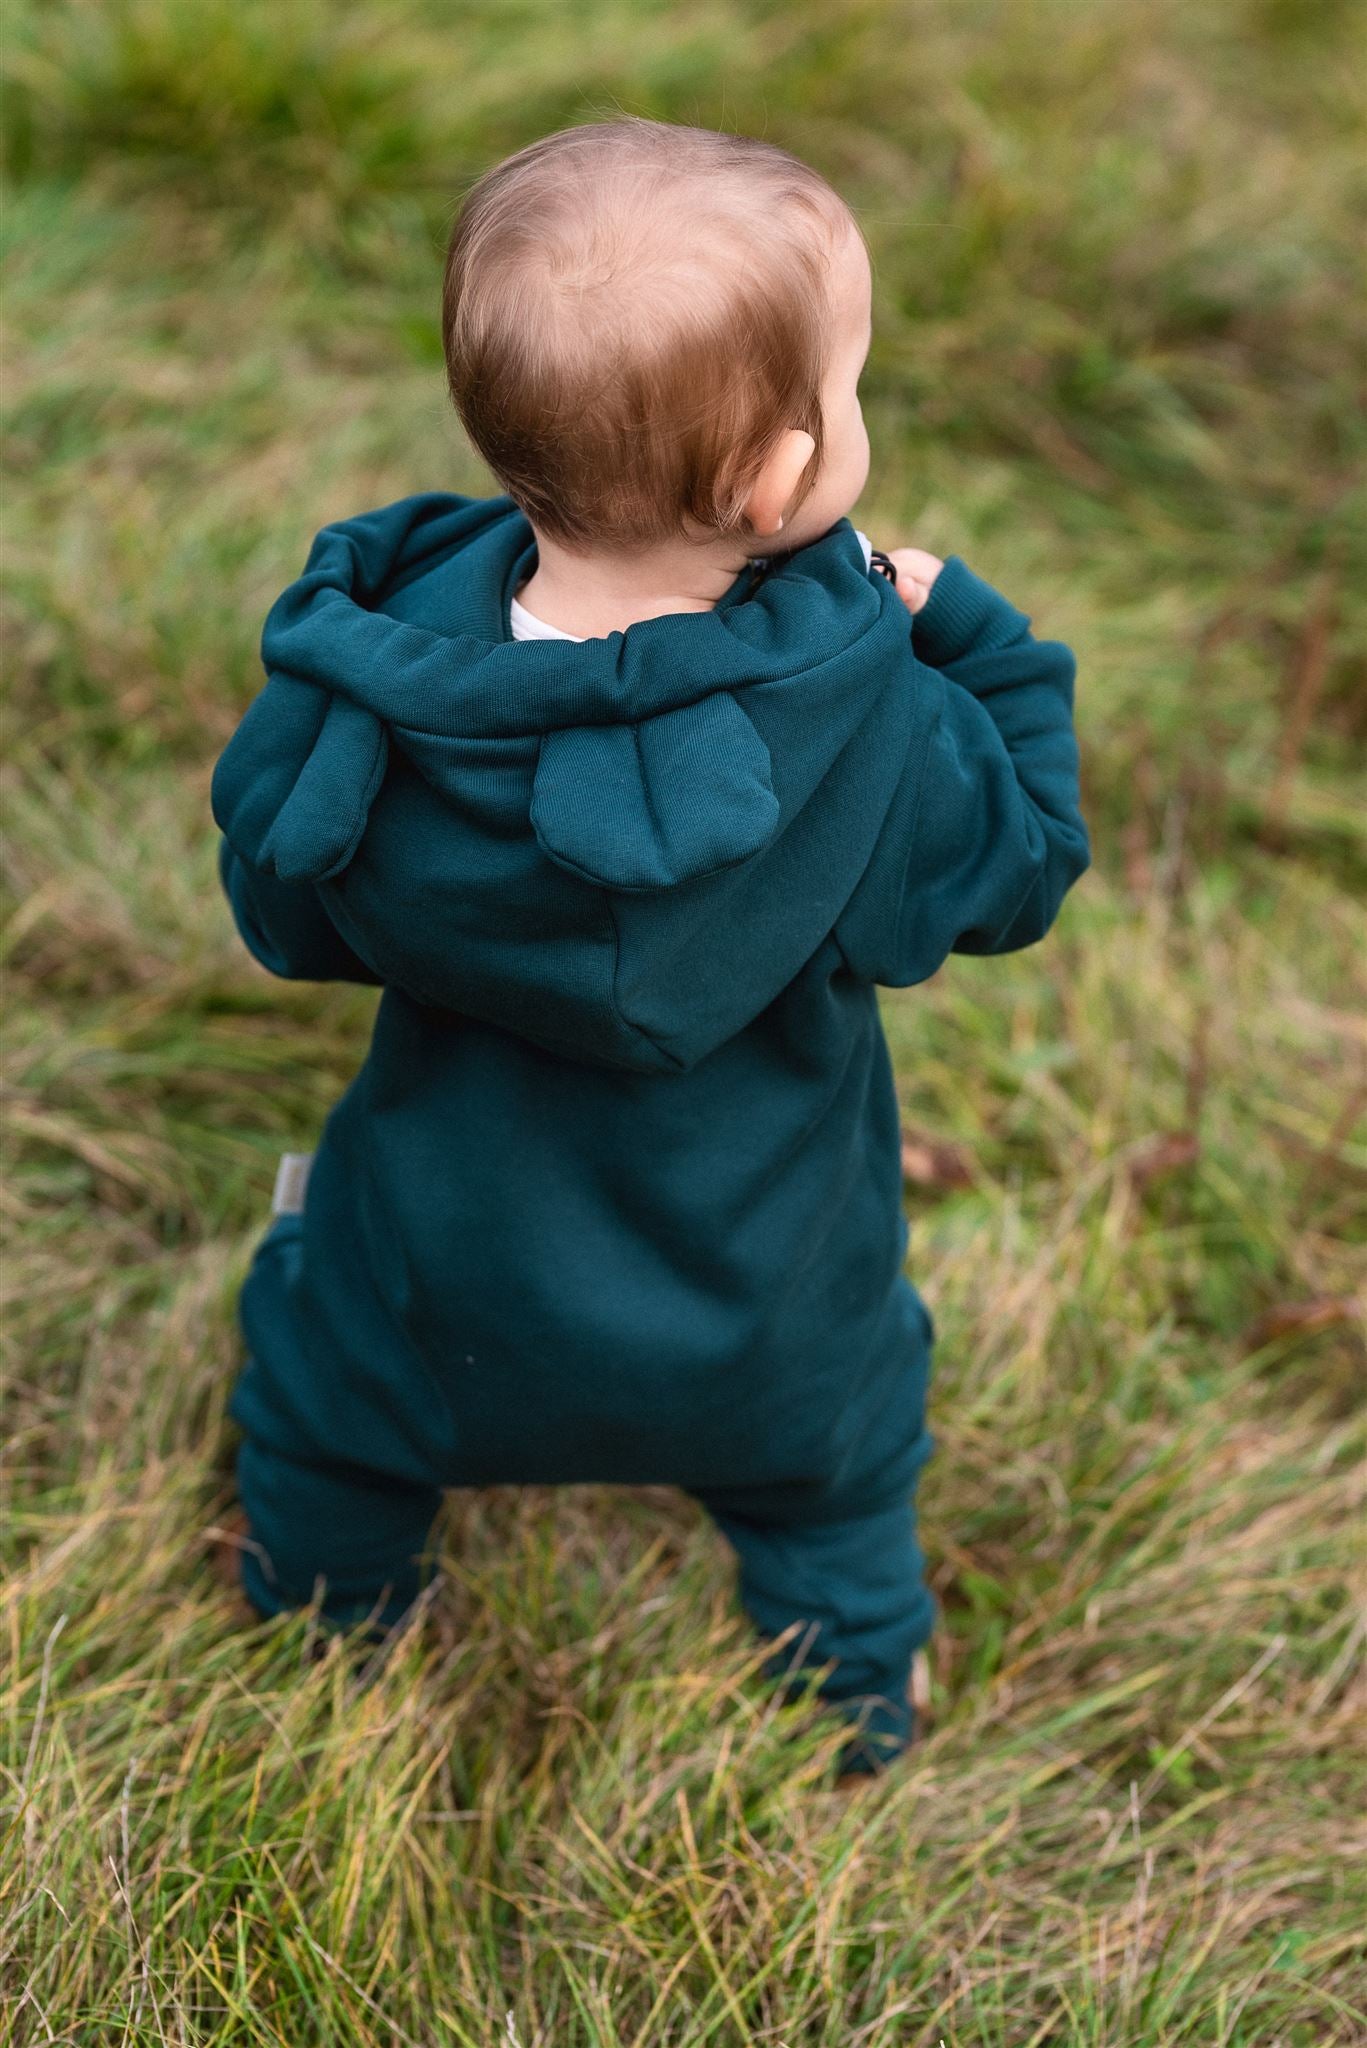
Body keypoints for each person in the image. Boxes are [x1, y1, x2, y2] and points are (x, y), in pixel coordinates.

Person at [211, 118, 1089, 1775]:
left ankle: (322, 1613)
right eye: (853, 386)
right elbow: (1019, 873)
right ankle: (854, 1691)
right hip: (767, 1302)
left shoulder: (373, 697)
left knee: (328, 1395)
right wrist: (983, 640)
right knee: (836, 1458)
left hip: (439, 1286)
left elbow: (282, 915)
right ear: (772, 478)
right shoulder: (880, 725)